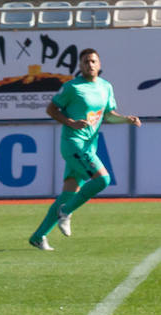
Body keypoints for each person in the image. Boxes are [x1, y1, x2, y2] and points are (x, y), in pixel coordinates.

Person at [29, 48, 141, 251]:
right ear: (80, 66)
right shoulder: (72, 87)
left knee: (68, 193)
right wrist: (70, 122)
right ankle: (66, 211)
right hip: (73, 144)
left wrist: (126, 119)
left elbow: (107, 115)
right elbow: (51, 109)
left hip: (89, 146)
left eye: (93, 61)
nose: (90, 64)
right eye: (86, 61)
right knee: (102, 180)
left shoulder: (106, 87)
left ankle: (39, 236)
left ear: (99, 64)